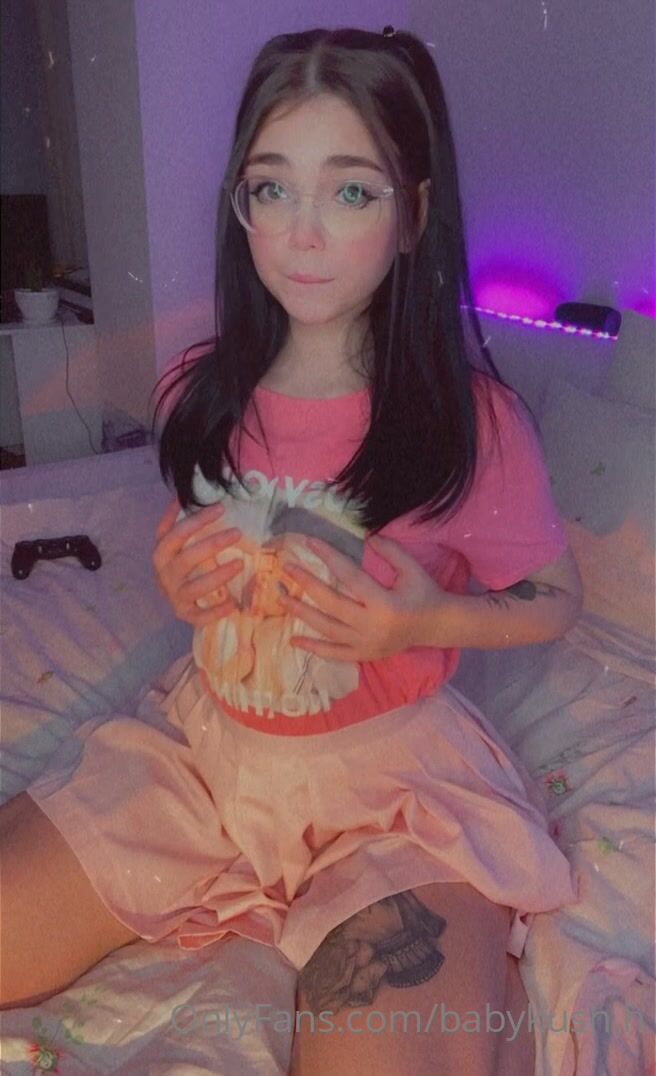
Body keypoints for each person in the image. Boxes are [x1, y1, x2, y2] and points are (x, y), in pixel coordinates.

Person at [0, 26, 584, 1076]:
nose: (302, 234)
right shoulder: (201, 388)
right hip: (204, 754)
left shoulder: (472, 423)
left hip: (392, 795)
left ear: (412, 214)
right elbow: (203, 535)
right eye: (272, 189)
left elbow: (554, 596)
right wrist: (179, 574)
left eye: (350, 191)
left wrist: (424, 619)